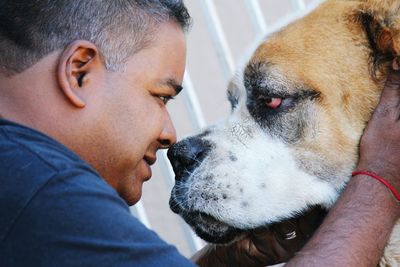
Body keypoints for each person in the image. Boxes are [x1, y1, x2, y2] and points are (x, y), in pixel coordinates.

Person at [0, 0, 398, 266]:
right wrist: (382, 174)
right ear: (80, 72)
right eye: (160, 96)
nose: (172, 135)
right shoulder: (36, 186)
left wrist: (226, 259)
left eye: (272, 101)